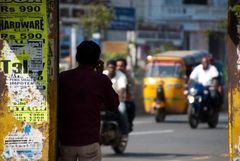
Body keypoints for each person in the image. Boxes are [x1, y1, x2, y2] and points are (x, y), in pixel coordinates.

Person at [59, 40, 119, 161]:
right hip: (89, 142)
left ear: (77, 57)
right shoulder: (101, 80)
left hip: (66, 142)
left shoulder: (63, 77)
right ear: (97, 60)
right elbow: (113, 105)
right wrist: (100, 74)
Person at [103, 59, 129, 140]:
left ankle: (125, 133)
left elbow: (122, 90)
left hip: (117, 100)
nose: (111, 69)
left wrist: (119, 100)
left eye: (113, 67)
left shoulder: (121, 76)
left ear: (115, 68)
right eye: (109, 67)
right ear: (107, 67)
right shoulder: (103, 74)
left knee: (122, 110)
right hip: (103, 100)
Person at [116, 58, 136, 132]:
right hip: (111, 99)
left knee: (130, 106)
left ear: (125, 67)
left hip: (123, 99)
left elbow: (133, 87)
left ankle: (127, 126)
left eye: (121, 66)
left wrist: (129, 96)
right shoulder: (112, 74)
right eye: (117, 66)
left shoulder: (128, 76)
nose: (119, 68)